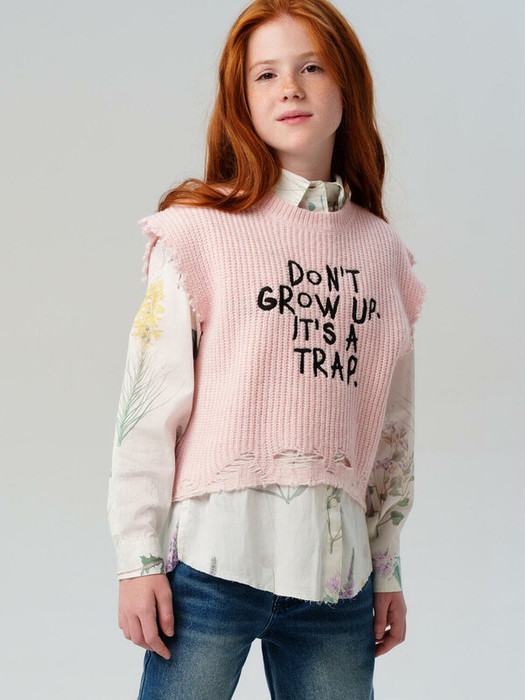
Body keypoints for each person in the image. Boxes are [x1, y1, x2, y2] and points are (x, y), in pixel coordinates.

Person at [107, 1, 426, 698]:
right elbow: (148, 409)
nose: (289, 88)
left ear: (346, 85)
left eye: (312, 67)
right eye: (266, 74)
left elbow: (390, 432)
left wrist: (386, 568)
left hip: (338, 585)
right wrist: (138, 560)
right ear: (241, 100)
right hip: (210, 566)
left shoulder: (383, 255)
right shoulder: (198, 233)